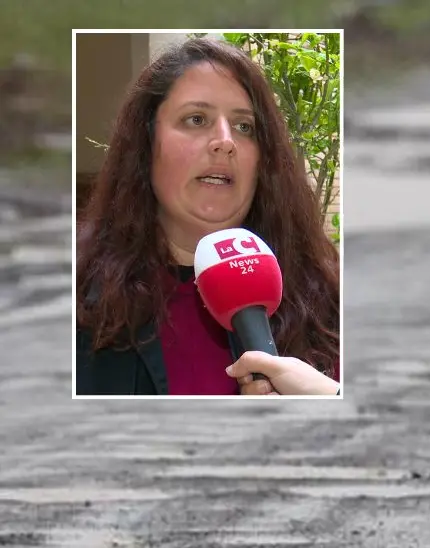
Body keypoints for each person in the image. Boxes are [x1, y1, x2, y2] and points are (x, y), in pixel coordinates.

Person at [75, 37, 340, 396]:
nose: (225, 140)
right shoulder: (76, 296)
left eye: (245, 127)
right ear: (146, 145)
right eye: (196, 119)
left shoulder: (327, 296)